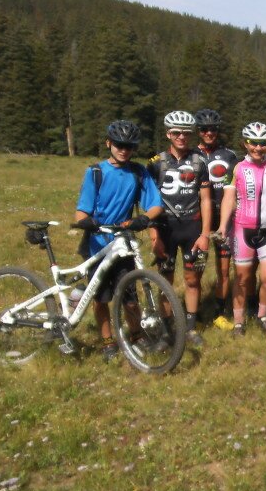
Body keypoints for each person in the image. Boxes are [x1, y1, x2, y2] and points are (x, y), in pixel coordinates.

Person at [74, 121, 163, 361]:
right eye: (119, 145)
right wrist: (87, 222)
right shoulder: (96, 172)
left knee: (130, 295)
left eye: (129, 146)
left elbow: (156, 204)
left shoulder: (138, 172)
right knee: (100, 296)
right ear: (108, 144)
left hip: (123, 243)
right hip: (96, 243)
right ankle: (107, 341)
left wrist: (143, 219)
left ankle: (136, 335)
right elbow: (81, 212)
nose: (124, 150)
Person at [215, 122, 266, 337]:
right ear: (245, 143)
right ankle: (238, 321)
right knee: (242, 279)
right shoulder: (236, 167)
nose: (257, 147)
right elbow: (228, 199)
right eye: (253, 143)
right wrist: (221, 227)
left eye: (262, 143)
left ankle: (262, 315)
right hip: (242, 228)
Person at [147, 111, 212, 346]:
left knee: (192, 279)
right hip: (165, 227)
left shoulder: (200, 161)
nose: (181, 137)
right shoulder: (156, 163)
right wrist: (154, 236)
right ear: (168, 134)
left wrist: (205, 234)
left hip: (192, 226)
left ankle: (190, 328)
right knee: (166, 279)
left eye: (185, 133)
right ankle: (166, 330)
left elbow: (206, 199)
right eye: (176, 133)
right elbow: (149, 202)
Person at [194, 108, 238, 327]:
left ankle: (220, 311)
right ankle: (197, 309)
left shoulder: (229, 155)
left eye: (212, 129)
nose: (209, 133)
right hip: (199, 218)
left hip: (223, 217)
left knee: (223, 268)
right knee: (197, 267)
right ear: (199, 131)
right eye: (204, 129)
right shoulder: (192, 154)